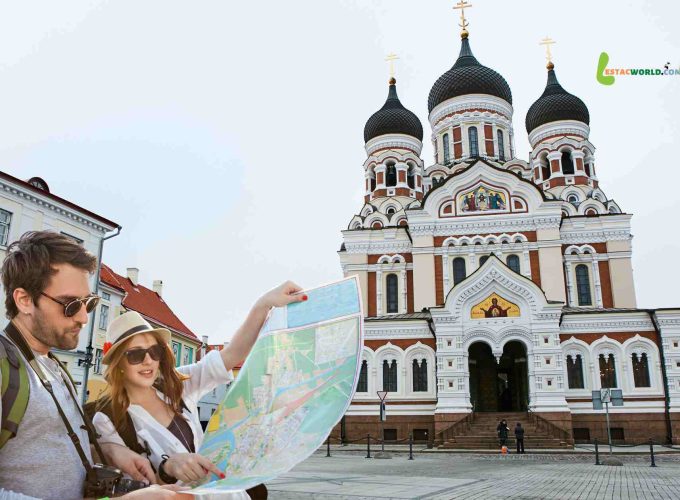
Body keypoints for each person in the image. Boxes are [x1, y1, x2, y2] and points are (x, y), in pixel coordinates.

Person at [0, 231, 184, 499]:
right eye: (71, 304)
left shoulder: (52, 366)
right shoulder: (6, 367)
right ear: (24, 300)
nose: (84, 317)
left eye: (88, 303)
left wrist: (109, 452)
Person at [91, 281, 305, 496]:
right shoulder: (108, 418)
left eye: (154, 351)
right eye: (136, 354)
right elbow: (135, 489)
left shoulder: (176, 385)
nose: (148, 361)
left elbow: (231, 355)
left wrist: (263, 304)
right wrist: (167, 468)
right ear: (118, 364)